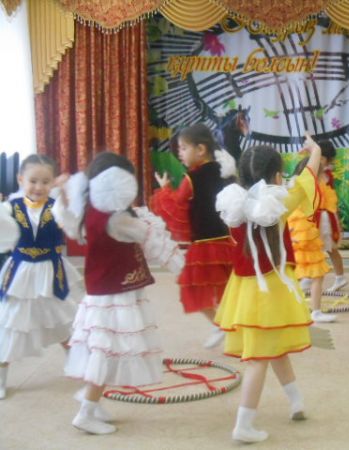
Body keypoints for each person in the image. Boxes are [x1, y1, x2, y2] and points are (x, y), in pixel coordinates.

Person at [53, 152, 184, 434]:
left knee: (103, 349)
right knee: (109, 350)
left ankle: (91, 402)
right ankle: (85, 411)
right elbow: (153, 241)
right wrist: (183, 268)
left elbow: (70, 225)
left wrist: (62, 197)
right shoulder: (117, 220)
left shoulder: (89, 210)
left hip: (102, 291)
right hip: (116, 295)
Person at [214, 135, 321, 443]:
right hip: (271, 290)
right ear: (276, 175)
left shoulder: (233, 203)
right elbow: (306, 179)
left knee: (275, 349)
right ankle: (243, 426)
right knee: (259, 359)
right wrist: (314, 150)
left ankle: (297, 402)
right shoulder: (278, 201)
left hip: (245, 291)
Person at [0, 155, 82, 400]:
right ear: (20, 179)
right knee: (10, 324)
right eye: (33, 181)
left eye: (45, 182)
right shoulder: (10, 207)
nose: (38, 187)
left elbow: (73, 226)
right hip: (20, 276)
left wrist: (66, 195)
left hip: (52, 273)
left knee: (64, 321)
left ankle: (78, 367)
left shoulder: (57, 205)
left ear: (53, 182)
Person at [151, 124, 236, 349]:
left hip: (205, 246)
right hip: (227, 243)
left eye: (183, 148)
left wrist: (165, 190)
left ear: (200, 149)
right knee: (228, 289)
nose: (180, 153)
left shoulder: (192, 178)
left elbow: (178, 206)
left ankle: (221, 323)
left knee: (193, 288)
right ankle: (230, 325)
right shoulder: (224, 172)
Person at [288, 157, 336, 323]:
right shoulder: (312, 186)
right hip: (306, 232)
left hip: (296, 230)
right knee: (317, 274)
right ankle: (315, 311)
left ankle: (292, 309)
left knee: (296, 271)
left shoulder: (295, 185)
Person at [315, 141, 347, 292]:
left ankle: (340, 277)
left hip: (325, 217)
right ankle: (310, 277)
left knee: (330, 248)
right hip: (318, 216)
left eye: (318, 157)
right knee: (318, 248)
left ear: (325, 159)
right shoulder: (319, 173)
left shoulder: (325, 175)